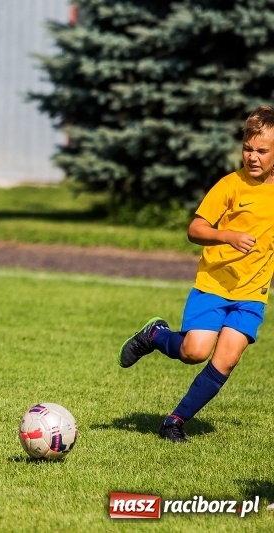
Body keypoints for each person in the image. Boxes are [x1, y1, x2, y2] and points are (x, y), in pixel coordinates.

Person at [118, 105, 274, 443]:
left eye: (262, 150)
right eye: (248, 148)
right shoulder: (231, 186)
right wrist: (228, 236)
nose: (253, 156)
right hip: (214, 285)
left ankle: (174, 421)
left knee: (227, 359)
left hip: (251, 295)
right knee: (194, 353)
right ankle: (155, 335)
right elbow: (195, 228)